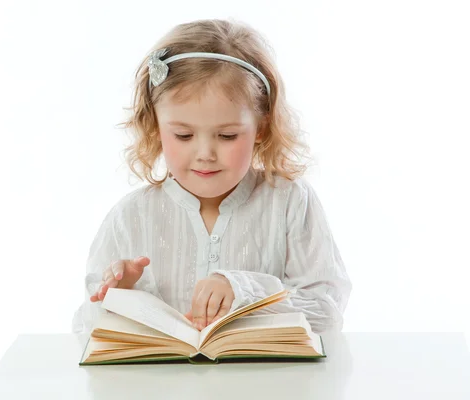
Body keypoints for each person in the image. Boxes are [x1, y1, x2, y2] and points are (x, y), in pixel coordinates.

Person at [72, 18, 351, 336]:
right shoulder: (130, 217)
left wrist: (245, 291)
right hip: (162, 387)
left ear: (261, 127)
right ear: (155, 126)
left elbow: (328, 315)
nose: (205, 153)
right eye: (184, 135)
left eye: (228, 135)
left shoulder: (289, 202)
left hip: (269, 385)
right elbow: (85, 329)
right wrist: (118, 298)